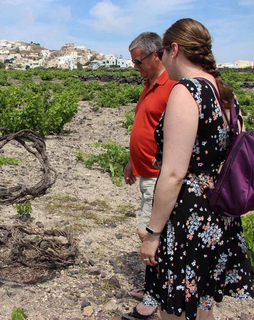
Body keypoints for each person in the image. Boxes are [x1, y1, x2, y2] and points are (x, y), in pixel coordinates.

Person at [140, 18, 253, 320]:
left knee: (174, 308)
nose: (162, 60)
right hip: (218, 212)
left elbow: (175, 174)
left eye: (162, 52)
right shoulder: (225, 92)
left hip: (189, 214)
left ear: (174, 49)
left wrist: (152, 233)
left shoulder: (187, 91)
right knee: (202, 303)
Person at [122, 32, 176, 320]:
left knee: (150, 233)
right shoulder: (149, 84)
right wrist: (132, 162)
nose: (136, 67)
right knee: (152, 234)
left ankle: (156, 295)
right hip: (144, 172)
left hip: (159, 176)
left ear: (156, 55)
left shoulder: (172, 87)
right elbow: (145, 127)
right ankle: (154, 287)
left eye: (138, 61)